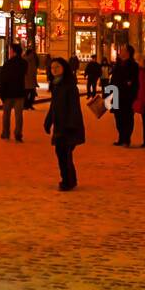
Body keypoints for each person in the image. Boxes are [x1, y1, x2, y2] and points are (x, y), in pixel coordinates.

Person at [43, 57, 84, 190]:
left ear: (64, 68)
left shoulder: (70, 86)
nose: (54, 70)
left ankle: (67, 181)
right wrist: (48, 121)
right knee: (62, 154)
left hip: (68, 127)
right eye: (52, 67)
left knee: (64, 154)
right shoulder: (56, 85)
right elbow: (54, 105)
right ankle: (70, 180)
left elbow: (74, 107)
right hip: (60, 126)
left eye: (57, 67)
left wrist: (71, 125)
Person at [111, 45, 140, 146]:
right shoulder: (118, 64)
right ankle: (121, 137)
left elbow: (134, 81)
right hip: (115, 94)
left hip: (127, 96)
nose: (120, 52)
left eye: (122, 50)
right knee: (118, 118)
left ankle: (126, 139)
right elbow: (113, 79)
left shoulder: (133, 65)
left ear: (128, 52)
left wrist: (129, 84)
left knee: (127, 118)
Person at [0, 42, 27, 142]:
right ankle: (18, 134)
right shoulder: (24, 63)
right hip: (19, 92)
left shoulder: (8, 64)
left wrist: (1, 93)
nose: (8, 52)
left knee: (6, 115)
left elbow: (3, 80)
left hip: (8, 93)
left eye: (10, 50)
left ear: (13, 52)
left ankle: (6, 133)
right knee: (19, 115)